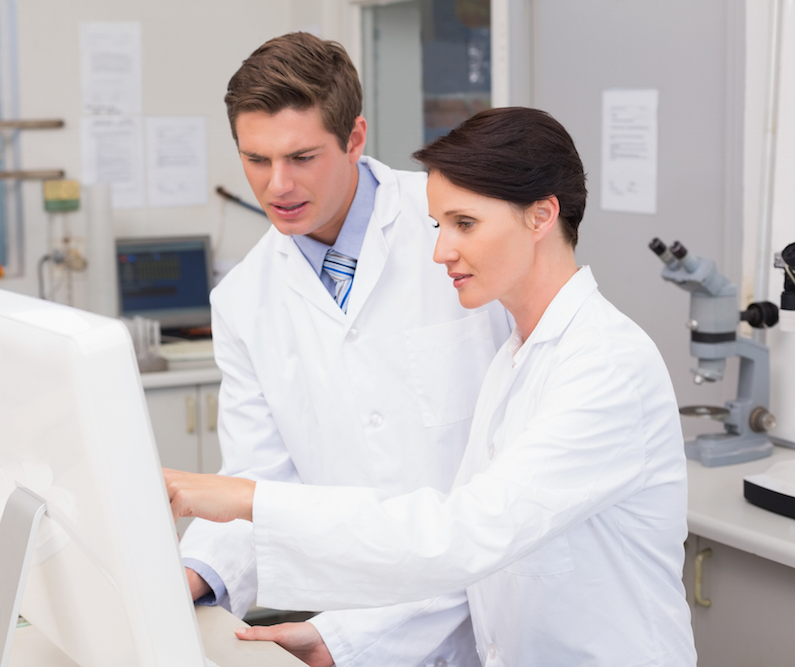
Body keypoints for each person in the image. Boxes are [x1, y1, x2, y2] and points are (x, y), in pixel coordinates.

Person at [167, 107, 698, 666]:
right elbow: (470, 548)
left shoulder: (605, 365)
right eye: (438, 226)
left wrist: (250, 499)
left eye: (463, 224)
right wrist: (342, 641)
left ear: (541, 216)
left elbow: (461, 533)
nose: (441, 250)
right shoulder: (515, 360)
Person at [179, 33, 511, 667]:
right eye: (255, 159)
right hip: (360, 621)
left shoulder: (459, 229)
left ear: (355, 138)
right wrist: (190, 575)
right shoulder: (245, 298)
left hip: (496, 614)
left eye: (302, 156)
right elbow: (257, 480)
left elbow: (513, 477)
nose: (277, 186)